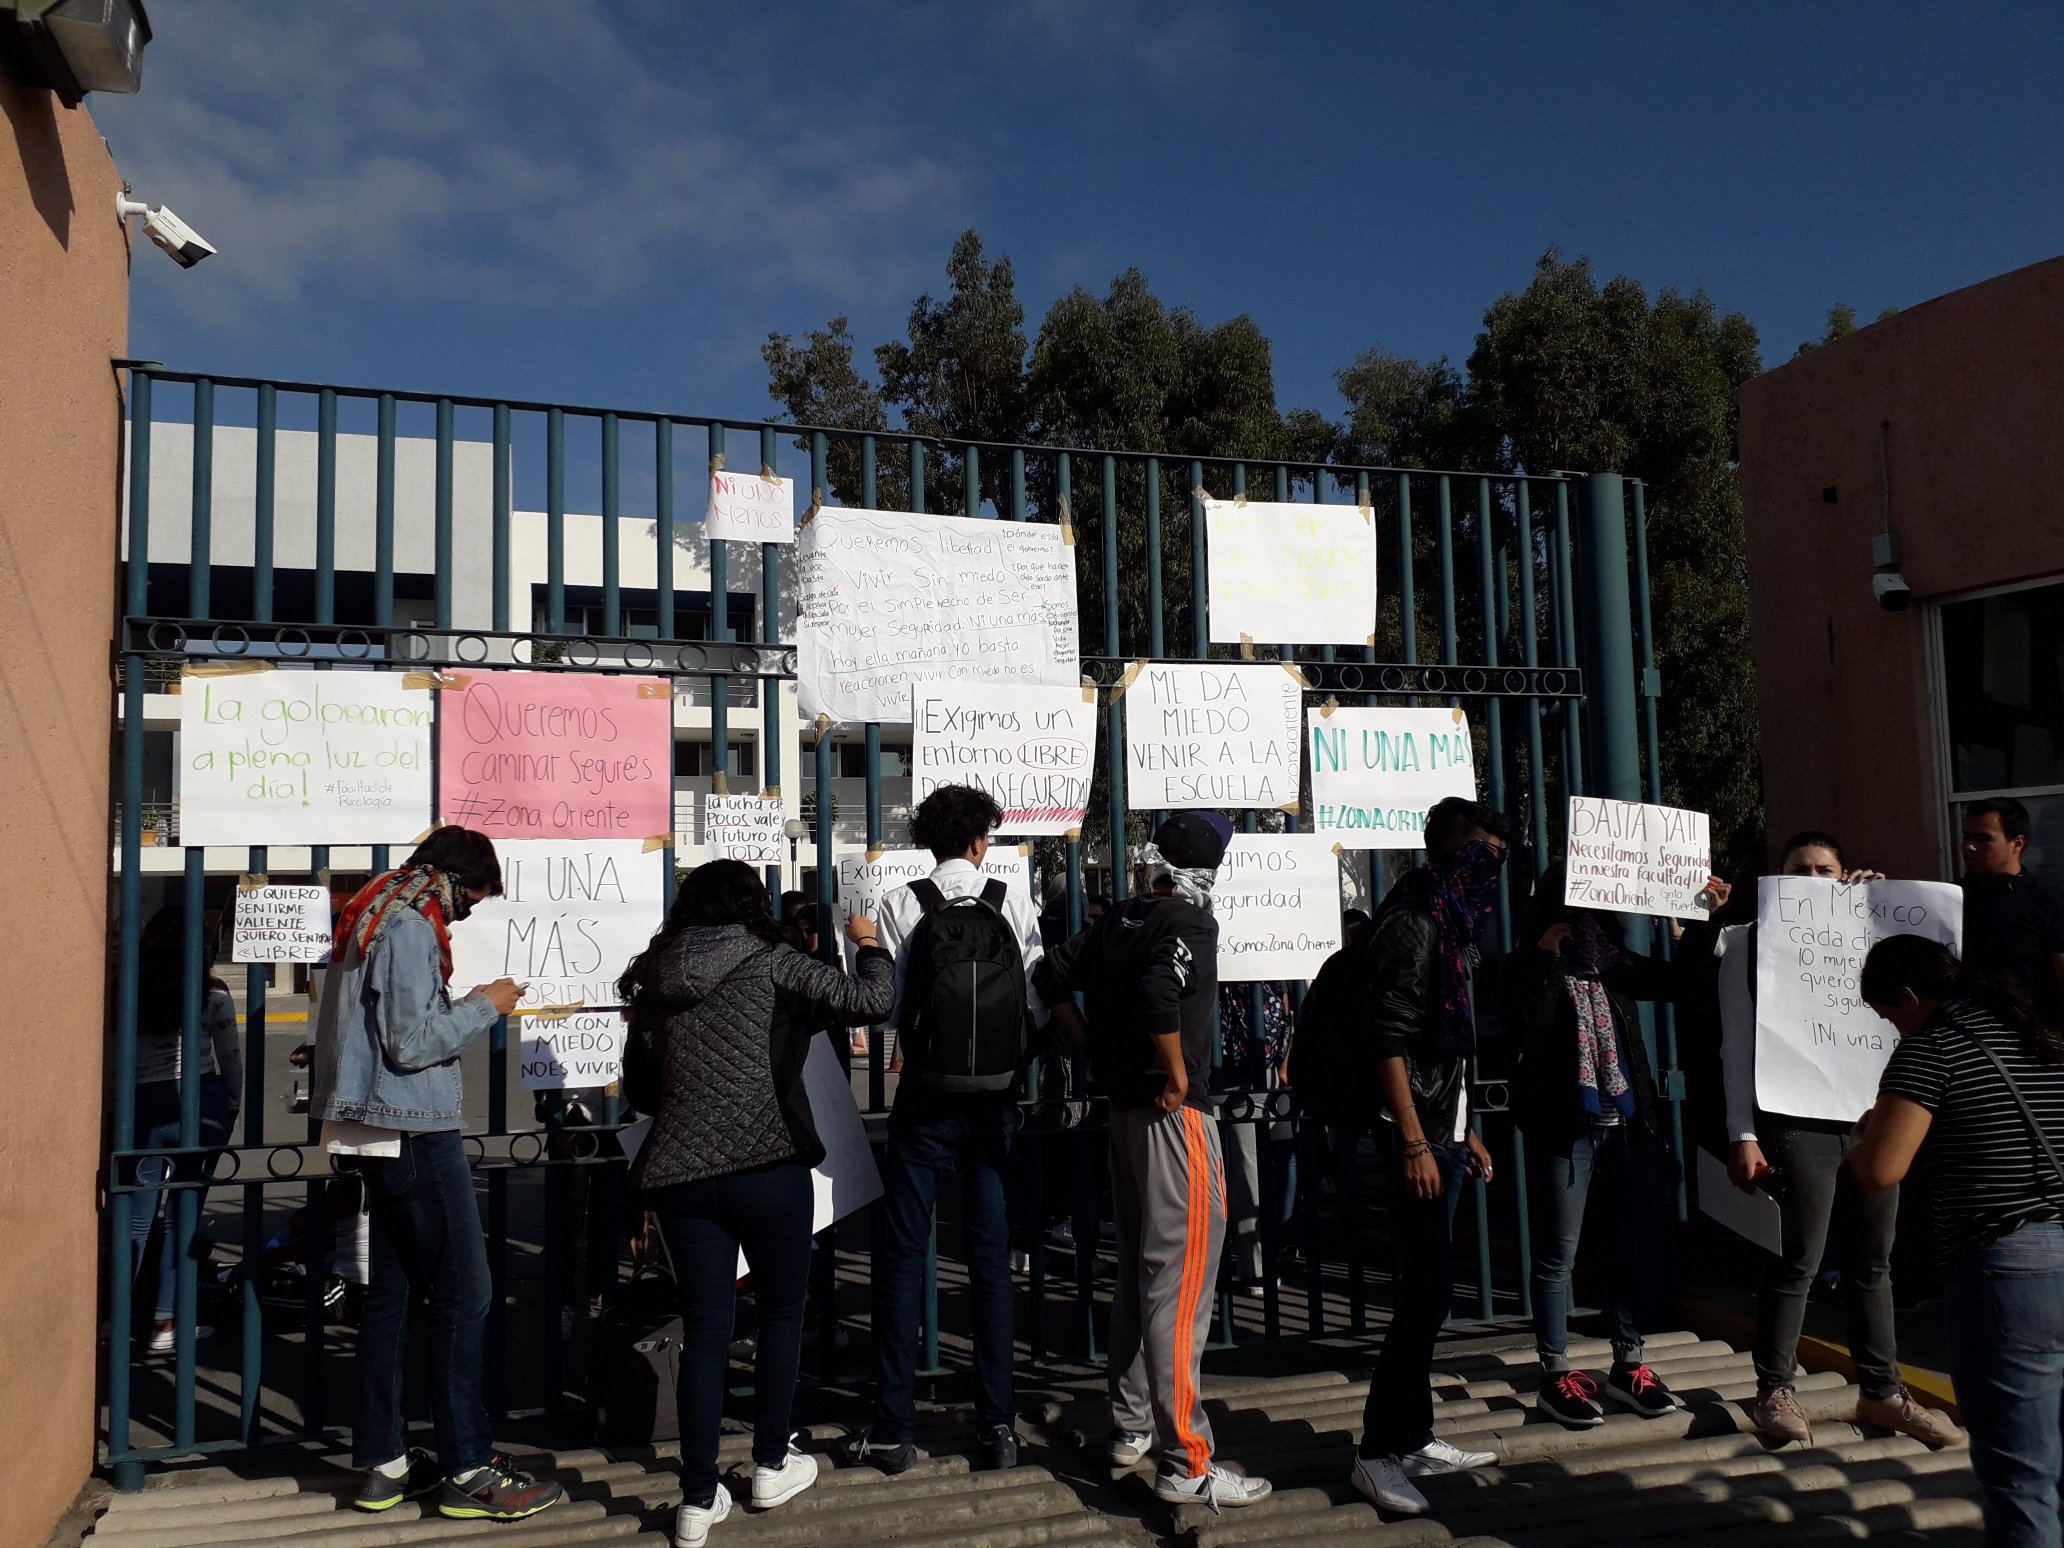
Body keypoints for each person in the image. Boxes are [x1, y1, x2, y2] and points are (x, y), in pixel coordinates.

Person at [619, 860, 894, 1548]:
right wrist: (871, 945)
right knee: (778, 1316)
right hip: (767, 1164)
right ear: (752, 903)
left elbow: (644, 1092)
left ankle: (695, 1499)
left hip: (681, 1172)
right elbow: (870, 1002)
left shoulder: (656, 971)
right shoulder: (772, 960)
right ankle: (771, 1462)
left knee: (705, 1330)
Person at [311, 827, 564, 1524]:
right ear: (455, 879)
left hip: (367, 1129)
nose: (465, 915)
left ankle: (384, 1464)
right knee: (466, 1294)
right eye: (472, 900)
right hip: (412, 1127)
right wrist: (488, 1003)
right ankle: (468, 1469)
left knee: (392, 1298)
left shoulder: (367, 909)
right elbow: (413, 1041)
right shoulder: (410, 926)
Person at [1037, 811, 1272, 1510]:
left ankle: (1132, 1424)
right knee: (1182, 1280)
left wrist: (1086, 1039)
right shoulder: (1188, 922)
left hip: (1126, 1113)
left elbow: (1048, 971)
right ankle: (1186, 1460)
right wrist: (1174, 1071)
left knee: (1144, 1272)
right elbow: (1159, 991)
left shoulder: (1122, 918)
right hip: (1175, 1113)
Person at [1717, 831, 1959, 1449]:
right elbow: (1736, 1048)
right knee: (1799, 1254)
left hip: (1873, 1115)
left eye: (1828, 869)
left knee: (1874, 1260)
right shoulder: (1748, 943)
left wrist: (1880, 907)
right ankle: (1775, 1386)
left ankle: (1882, 1392)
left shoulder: (1874, 930)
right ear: (1780, 878)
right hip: (1796, 1117)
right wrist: (1743, 1133)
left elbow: (1933, 997)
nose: (1817, 879)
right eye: (1802, 870)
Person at [844, 785, 1045, 1475]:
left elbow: (882, 1009)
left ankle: (894, 1426)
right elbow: (1036, 992)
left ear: (928, 841)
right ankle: (997, 1425)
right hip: (994, 1100)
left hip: (924, 1098)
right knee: (990, 1259)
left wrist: (864, 947)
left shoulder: (902, 904)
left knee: (902, 1254)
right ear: (980, 841)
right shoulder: (1008, 899)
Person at [1853, 934, 2064, 1548]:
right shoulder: (2042, 1039)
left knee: (2021, 1472)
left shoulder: (1932, 1050)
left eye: (1889, 1014)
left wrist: (1870, 1131)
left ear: (1911, 996)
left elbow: (1880, 1170)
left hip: (2011, 1269)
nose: (1893, 1028)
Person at [1504, 865, 1728, 1427]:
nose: (1581, 918)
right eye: (1571, 905)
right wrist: (1547, 958)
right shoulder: (1527, 964)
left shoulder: (1617, 965)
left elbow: (1684, 983)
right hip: (1565, 1133)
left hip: (1628, 1129)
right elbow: (1523, 1025)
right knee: (1559, 1254)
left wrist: (1704, 920)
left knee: (1627, 1247)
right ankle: (1555, 1373)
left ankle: (1629, 1365)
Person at [1344, 797, 1507, 1516]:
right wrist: (1413, 1139)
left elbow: (1445, 1048)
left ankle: (1412, 1435)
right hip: (1412, 1137)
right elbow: (1387, 1038)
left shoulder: (1452, 917)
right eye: (1485, 858)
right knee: (1424, 1294)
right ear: (1455, 855)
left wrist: (1460, 1128)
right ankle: (1377, 1453)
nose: (1493, 874)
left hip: (1441, 1130)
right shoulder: (1412, 923)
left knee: (1431, 1291)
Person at [131, 907, 243, 1355]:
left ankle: (118, 1317)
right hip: (201, 1101)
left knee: (134, 1219)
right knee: (185, 1217)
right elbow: (230, 1058)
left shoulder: (127, 990)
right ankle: (165, 1322)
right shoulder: (212, 994)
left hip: (141, 1103)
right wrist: (232, 1108)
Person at [1215, 981, 1297, 1292]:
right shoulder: (1265, 958)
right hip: (1258, 1066)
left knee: (1205, 1167)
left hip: (1212, 1065)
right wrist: (1283, 1063)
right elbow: (1288, 1010)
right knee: (1252, 1168)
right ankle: (1258, 1265)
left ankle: (1206, 1261)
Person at [1960, 797, 2064, 1024]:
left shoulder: (2047, 902)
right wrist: (1869, 892)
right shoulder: (1947, 897)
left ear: (2017, 843)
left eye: (1983, 838)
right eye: (1966, 837)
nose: (1969, 846)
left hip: (2030, 1044)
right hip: (1960, 1042)